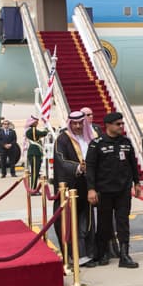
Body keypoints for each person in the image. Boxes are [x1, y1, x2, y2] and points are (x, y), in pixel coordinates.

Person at [85, 111, 142, 268]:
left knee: (123, 222)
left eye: (122, 123)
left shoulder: (126, 142)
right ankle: (102, 254)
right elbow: (90, 168)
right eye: (118, 124)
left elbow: (132, 164)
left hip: (123, 190)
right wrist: (91, 189)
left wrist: (137, 183)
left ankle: (124, 255)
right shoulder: (97, 144)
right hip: (104, 191)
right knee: (104, 224)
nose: (121, 126)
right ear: (108, 125)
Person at [53, 110, 94, 267]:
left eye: (80, 123)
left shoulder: (90, 137)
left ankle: (90, 253)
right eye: (74, 124)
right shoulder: (62, 140)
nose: (77, 126)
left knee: (88, 221)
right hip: (71, 187)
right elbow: (61, 161)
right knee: (72, 223)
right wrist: (79, 167)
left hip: (88, 186)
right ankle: (77, 256)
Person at [24, 116, 49, 189]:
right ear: (33, 123)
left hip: (35, 152)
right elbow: (43, 133)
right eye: (36, 122)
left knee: (36, 171)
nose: (37, 123)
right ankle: (33, 188)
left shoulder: (30, 131)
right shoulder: (33, 130)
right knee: (35, 172)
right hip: (34, 153)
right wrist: (47, 129)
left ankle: (33, 188)